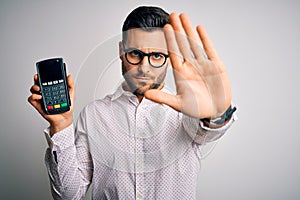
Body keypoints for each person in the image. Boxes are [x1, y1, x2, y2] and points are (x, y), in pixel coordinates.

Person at [28, 6, 237, 200]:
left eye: (156, 55)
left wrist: (215, 113)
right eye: (135, 53)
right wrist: (61, 126)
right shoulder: (93, 115)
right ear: (121, 50)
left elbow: (206, 130)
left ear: (170, 56)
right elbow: (68, 195)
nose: (144, 67)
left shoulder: (187, 114)